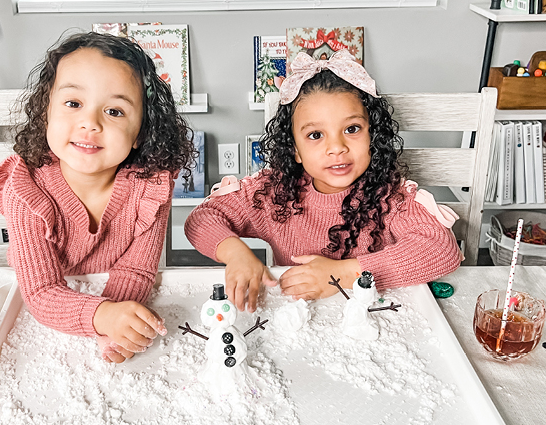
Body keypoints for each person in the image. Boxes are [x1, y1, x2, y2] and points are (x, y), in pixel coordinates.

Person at [185, 50, 463, 312]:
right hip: (298, 315)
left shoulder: (390, 196)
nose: (337, 147)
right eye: (316, 135)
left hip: (372, 314)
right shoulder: (274, 192)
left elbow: (442, 249)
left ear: (372, 135)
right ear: (294, 149)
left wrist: (344, 273)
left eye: (351, 129)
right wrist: (235, 254)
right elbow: (203, 219)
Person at [0, 32, 196, 363]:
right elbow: (42, 293)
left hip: (101, 302)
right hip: (51, 314)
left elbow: (136, 270)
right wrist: (102, 319)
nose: (90, 122)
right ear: (46, 113)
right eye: (73, 104)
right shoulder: (25, 190)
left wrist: (118, 323)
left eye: (115, 111)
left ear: (140, 133)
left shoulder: (152, 186)